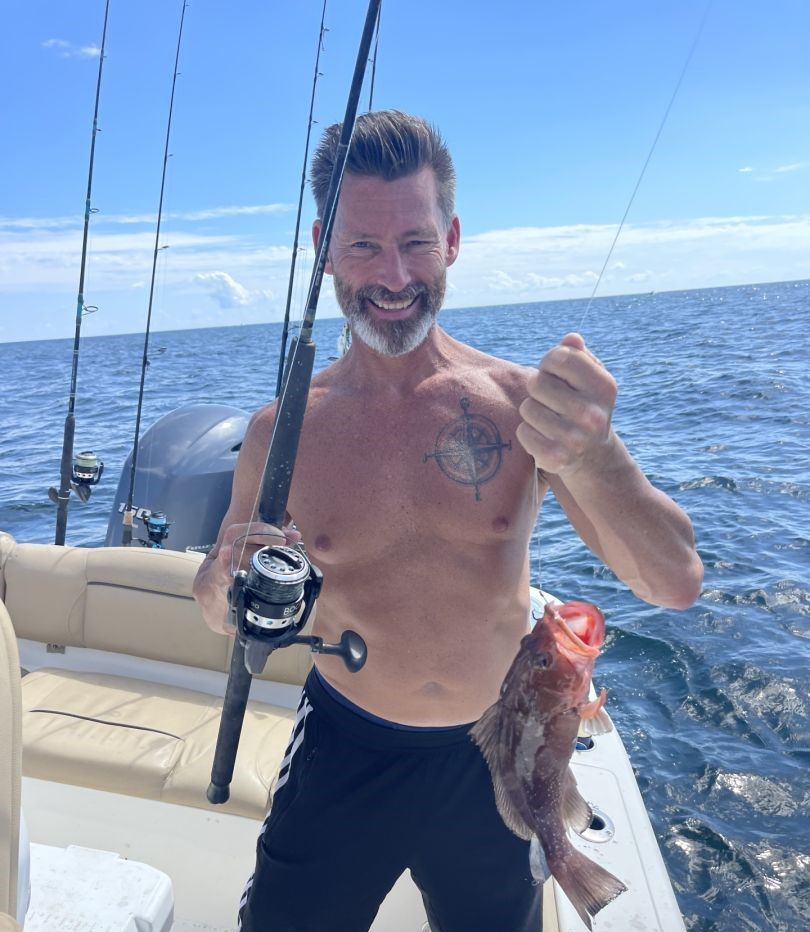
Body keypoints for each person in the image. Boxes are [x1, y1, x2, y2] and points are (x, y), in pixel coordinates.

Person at [193, 110, 703, 932]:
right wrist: (220, 584)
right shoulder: (280, 431)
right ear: (324, 247)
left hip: (501, 755)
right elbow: (220, 612)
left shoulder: (520, 405)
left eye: (416, 242)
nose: (392, 275)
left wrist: (596, 452)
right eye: (362, 245)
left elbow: (674, 582)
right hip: (345, 744)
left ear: (453, 239)